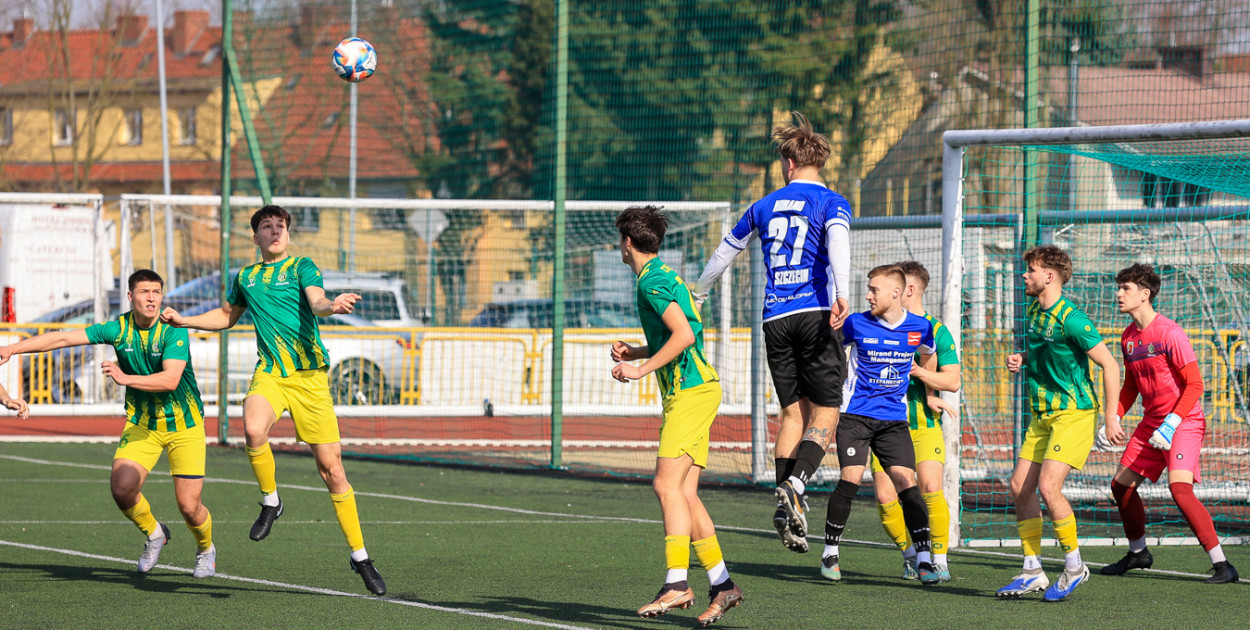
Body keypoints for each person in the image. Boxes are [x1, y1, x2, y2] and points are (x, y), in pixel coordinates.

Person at [160, 205, 385, 596]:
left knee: (332, 471)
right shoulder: (246, 277)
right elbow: (228, 315)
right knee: (251, 427)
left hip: (310, 381)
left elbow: (316, 300)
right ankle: (271, 501)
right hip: (271, 374)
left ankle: (360, 556)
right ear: (256, 237)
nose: (275, 231)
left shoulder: (301, 267)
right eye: (267, 226)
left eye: (281, 226)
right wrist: (185, 320)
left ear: (287, 234)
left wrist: (332, 305)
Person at [691, 111, 852, 553]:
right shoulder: (832, 202)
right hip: (817, 313)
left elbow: (725, 252)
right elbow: (838, 243)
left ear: (789, 163)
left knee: (792, 416)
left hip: (774, 319)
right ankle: (796, 487)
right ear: (816, 162)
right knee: (827, 414)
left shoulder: (763, 206)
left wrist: (699, 295)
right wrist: (843, 292)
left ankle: (789, 507)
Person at [0, 269, 216, 578]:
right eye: (145, 292)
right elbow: (62, 337)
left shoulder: (173, 330)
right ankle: (155, 534)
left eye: (156, 292)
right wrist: (12, 348)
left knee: (189, 505)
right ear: (130, 297)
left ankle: (206, 548)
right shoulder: (117, 329)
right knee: (122, 488)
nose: (152, 298)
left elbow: (170, 380)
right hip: (143, 424)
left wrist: (125, 378)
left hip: (185, 426)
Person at [611, 206, 743, 627]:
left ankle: (676, 583)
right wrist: (638, 350)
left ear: (627, 242)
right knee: (684, 493)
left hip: (690, 392)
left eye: (619, 239)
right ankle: (723, 585)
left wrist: (638, 368)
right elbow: (680, 331)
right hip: (697, 390)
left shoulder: (650, 282)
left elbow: (685, 335)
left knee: (664, 484)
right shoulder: (665, 275)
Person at [1098, 263, 1238, 583]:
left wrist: (1172, 422)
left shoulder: (1170, 332)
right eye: (1119, 288)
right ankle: (1138, 553)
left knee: (1179, 489)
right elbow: (1131, 386)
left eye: (1126, 289)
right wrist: (1114, 417)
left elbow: (1196, 385)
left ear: (1145, 295)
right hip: (1151, 424)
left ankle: (1223, 565)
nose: (1118, 294)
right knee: (1120, 486)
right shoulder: (1128, 337)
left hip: (1184, 421)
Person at [996, 245, 1121, 601]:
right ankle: (1032, 570)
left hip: (1075, 414)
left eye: (1030, 270)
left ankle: (1074, 567)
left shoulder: (1074, 319)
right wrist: (1022, 356)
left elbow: (1110, 366)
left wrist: (1111, 416)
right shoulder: (1036, 311)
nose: (1024, 275)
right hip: (1043, 415)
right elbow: (1042, 348)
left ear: (1049, 276)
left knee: (1049, 488)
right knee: (1020, 486)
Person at [820, 264, 944, 585]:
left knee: (907, 482)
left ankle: (925, 560)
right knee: (850, 478)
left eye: (874, 289)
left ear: (896, 293)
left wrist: (930, 391)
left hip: (893, 421)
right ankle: (831, 553)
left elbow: (928, 354)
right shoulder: (855, 323)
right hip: (855, 416)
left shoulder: (920, 327)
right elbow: (828, 351)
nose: (868, 295)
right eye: (868, 289)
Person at [870, 261, 961, 582]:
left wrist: (924, 378)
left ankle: (939, 559)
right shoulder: (874, 325)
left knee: (931, 487)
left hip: (923, 426)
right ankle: (910, 555)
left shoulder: (936, 330)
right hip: (882, 425)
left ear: (907, 290)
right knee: (884, 496)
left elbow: (952, 381)